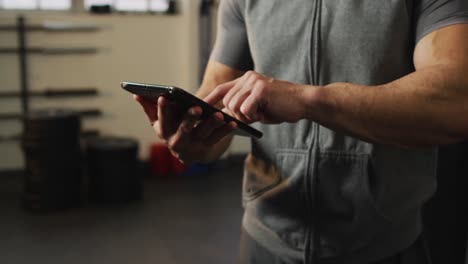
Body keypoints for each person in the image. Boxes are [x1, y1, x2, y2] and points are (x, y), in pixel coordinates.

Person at [135, 0, 468, 263]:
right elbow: (214, 110)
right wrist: (191, 142)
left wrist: (308, 100)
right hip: (263, 243)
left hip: (383, 243)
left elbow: (456, 102)